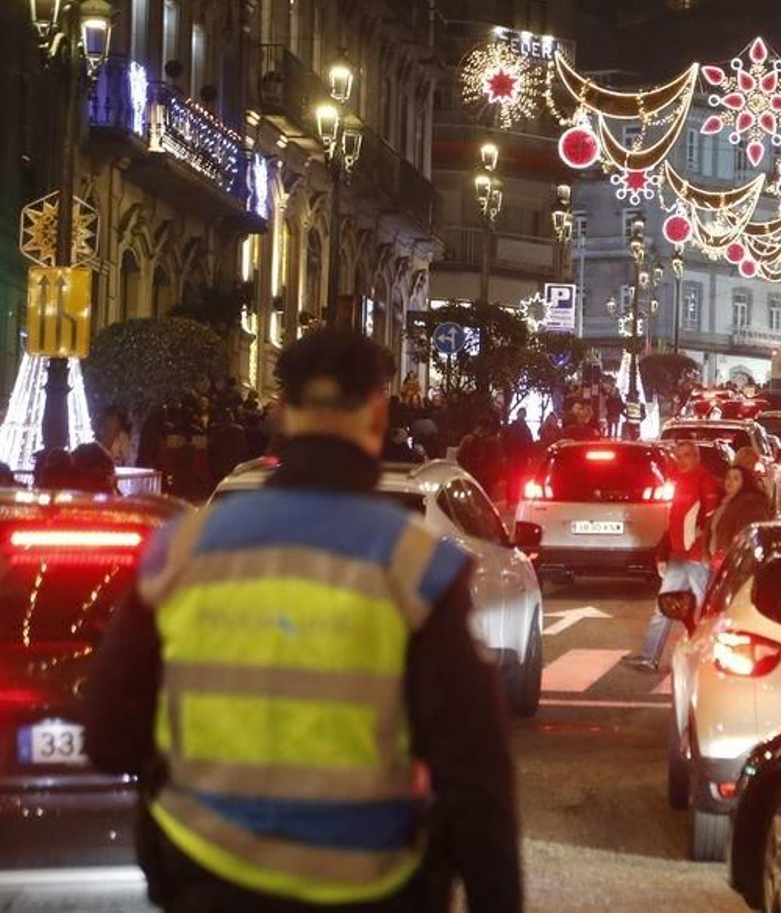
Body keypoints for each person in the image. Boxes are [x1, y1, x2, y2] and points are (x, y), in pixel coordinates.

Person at [82, 326, 522, 912]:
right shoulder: (415, 568)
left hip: (207, 878)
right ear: (377, 412)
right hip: (367, 886)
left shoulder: (182, 551)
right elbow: (474, 775)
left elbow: (108, 737)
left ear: (282, 414)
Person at [626, 440, 723, 673]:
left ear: (697, 457)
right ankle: (649, 658)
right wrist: (663, 552)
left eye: (686, 455)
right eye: (678, 456)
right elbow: (674, 523)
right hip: (679, 555)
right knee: (665, 605)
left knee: (703, 609)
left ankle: (709, 661)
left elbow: (711, 520)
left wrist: (703, 549)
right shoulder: (678, 481)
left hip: (696, 558)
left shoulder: (705, 481)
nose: (681, 460)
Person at [709, 465, 774, 563]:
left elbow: (746, 535)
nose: (730, 481)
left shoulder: (750, 504)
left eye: (736, 478)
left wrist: (733, 555)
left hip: (733, 562)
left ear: (745, 482)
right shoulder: (725, 502)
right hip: (719, 560)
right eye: (728, 477)